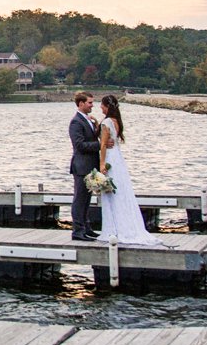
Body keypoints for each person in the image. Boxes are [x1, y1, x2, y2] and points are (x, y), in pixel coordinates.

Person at [94, 93, 165, 246]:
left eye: (102, 104)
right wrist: (95, 123)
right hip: (118, 158)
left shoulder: (107, 122)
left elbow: (103, 144)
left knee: (111, 192)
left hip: (110, 158)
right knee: (120, 191)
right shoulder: (116, 121)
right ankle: (124, 225)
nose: (100, 107)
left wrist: (101, 164)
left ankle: (113, 228)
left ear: (107, 106)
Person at [67, 91, 102, 240]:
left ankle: (86, 227)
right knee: (79, 199)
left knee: (87, 199)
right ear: (81, 104)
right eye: (89, 103)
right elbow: (79, 145)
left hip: (89, 166)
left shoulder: (87, 120)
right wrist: (100, 145)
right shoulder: (76, 122)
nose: (92, 105)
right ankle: (78, 231)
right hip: (81, 166)